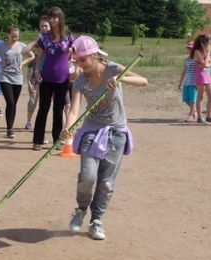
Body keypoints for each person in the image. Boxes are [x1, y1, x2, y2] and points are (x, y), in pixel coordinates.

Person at [62, 36, 148, 240]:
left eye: (83, 60)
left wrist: (121, 79)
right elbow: (74, 110)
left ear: (94, 55)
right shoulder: (80, 80)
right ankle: (81, 209)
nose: (80, 65)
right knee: (88, 176)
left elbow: (143, 81)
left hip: (116, 132)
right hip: (91, 130)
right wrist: (68, 128)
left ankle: (96, 220)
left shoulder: (113, 69)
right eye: (76, 61)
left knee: (106, 182)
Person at [28, 7, 75, 150]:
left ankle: (56, 140)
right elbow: (39, 56)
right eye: (51, 17)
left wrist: (75, 66)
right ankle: (37, 140)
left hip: (63, 78)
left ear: (60, 18)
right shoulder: (44, 37)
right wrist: (36, 71)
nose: (53, 20)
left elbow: (75, 53)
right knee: (43, 108)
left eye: (56, 17)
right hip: (46, 78)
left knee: (58, 110)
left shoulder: (69, 36)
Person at [0, 25, 35, 138]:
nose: (15, 38)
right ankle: (9, 129)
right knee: (10, 102)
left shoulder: (22, 45)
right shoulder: (1, 46)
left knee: (14, 104)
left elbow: (32, 56)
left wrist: (23, 63)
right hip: (5, 77)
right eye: (13, 36)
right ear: (8, 35)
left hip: (17, 78)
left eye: (17, 36)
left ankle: (11, 126)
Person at [25, 16, 51, 130]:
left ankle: (41, 125)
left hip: (49, 76)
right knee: (32, 101)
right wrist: (29, 82)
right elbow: (25, 51)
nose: (44, 28)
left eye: (46, 26)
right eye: (42, 26)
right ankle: (29, 121)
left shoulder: (54, 42)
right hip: (36, 74)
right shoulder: (38, 43)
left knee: (46, 104)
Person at [191, 34, 211, 124]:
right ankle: (199, 117)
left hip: (207, 75)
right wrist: (208, 54)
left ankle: (209, 116)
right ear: (202, 43)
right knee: (200, 97)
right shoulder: (197, 52)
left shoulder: (205, 51)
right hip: (200, 76)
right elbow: (205, 64)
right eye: (208, 43)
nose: (209, 45)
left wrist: (205, 63)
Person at [178, 40, 198, 122]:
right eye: (188, 48)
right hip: (186, 82)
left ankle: (190, 115)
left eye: (191, 48)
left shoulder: (197, 59)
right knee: (186, 99)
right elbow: (184, 71)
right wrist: (180, 83)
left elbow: (199, 71)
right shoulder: (186, 59)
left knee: (193, 100)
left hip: (194, 83)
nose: (190, 50)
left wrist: (198, 82)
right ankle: (195, 111)